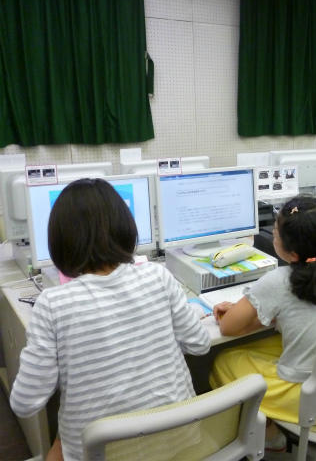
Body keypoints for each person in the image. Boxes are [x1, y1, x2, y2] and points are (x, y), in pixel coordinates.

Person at [10, 178, 211, 461]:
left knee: (61, 441)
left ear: (60, 240)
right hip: (179, 442)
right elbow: (200, 344)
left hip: (104, 452)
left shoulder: (53, 304)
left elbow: (24, 403)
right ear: (125, 227)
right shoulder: (158, 276)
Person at [209, 196, 316, 452]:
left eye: (275, 231)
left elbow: (228, 327)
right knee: (272, 343)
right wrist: (266, 313)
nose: (272, 234)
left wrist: (245, 312)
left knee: (224, 360)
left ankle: (270, 436)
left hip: (314, 402)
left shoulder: (279, 280)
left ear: (292, 252)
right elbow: (301, 313)